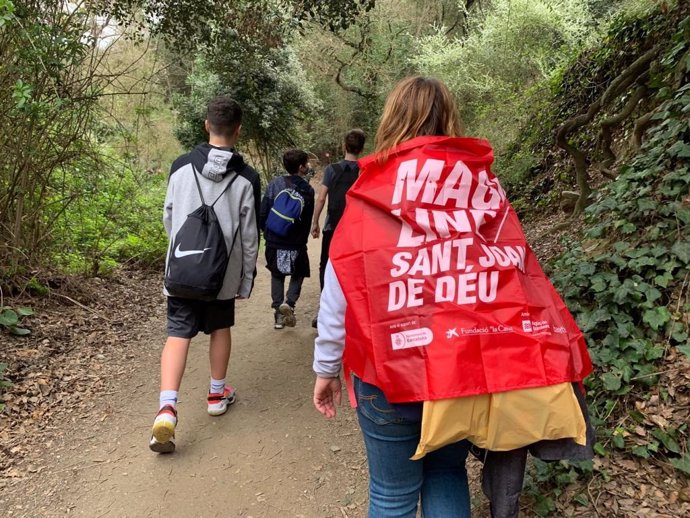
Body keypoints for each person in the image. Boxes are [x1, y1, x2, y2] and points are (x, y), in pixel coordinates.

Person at [312, 76, 593, 517]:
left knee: (391, 494)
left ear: (392, 121)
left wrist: (326, 367)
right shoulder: (482, 190)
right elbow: (511, 276)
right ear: (449, 119)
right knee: (446, 474)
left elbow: (342, 286)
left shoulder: (369, 192)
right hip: (458, 371)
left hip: (387, 372)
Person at [150, 96, 261, 454]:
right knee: (220, 328)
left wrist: (182, 255)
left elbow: (169, 215)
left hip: (183, 269)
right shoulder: (246, 177)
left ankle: (167, 408)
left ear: (205, 125)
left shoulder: (181, 167)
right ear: (238, 131)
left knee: (177, 334)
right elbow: (248, 234)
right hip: (222, 276)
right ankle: (216, 395)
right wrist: (245, 278)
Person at [310, 129, 366, 328]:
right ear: (362, 148)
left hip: (333, 226)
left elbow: (322, 197)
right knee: (355, 268)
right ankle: (353, 312)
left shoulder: (331, 169)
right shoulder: (364, 170)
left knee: (326, 266)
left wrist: (315, 222)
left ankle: (325, 311)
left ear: (344, 146)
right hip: (355, 229)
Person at [260, 149, 315, 329]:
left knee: (277, 274)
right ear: (301, 167)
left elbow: (264, 210)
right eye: (306, 164)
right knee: (298, 273)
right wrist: (302, 239)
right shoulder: (307, 190)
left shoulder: (275, 184)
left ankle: (278, 315)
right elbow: (306, 219)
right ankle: (289, 303)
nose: (307, 167)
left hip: (274, 240)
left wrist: (267, 232)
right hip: (296, 243)